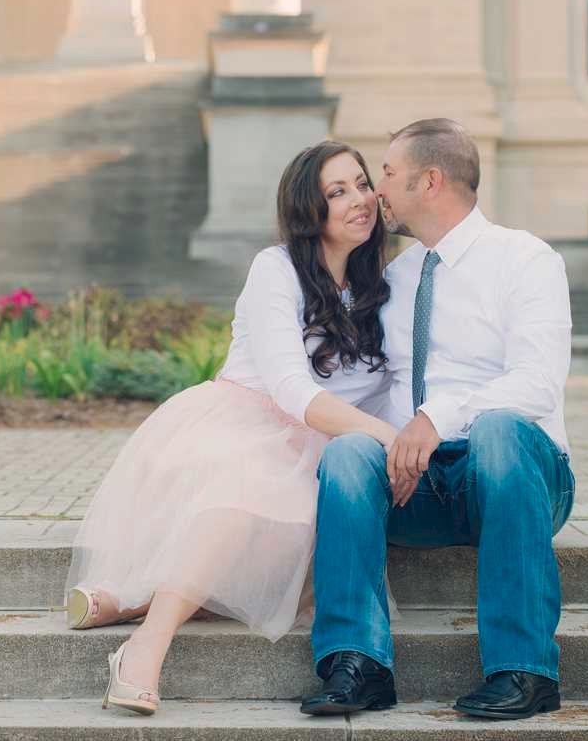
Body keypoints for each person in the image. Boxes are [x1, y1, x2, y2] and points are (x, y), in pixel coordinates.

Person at [62, 140, 400, 716]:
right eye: (336, 192)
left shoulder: (382, 285)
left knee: (304, 549)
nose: (359, 200)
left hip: (319, 446)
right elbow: (292, 392)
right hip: (243, 424)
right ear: (307, 210)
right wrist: (391, 439)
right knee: (243, 500)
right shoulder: (278, 269)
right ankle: (143, 648)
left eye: (363, 184)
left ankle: (134, 598)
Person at [301, 118, 576, 720]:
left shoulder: (526, 260)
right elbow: (367, 385)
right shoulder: (395, 278)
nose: (377, 193)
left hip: (516, 477)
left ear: (430, 182)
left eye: (388, 176)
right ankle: (358, 665)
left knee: (500, 429)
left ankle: (524, 671)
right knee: (348, 451)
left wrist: (436, 417)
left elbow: (537, 381)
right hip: (418, 485)